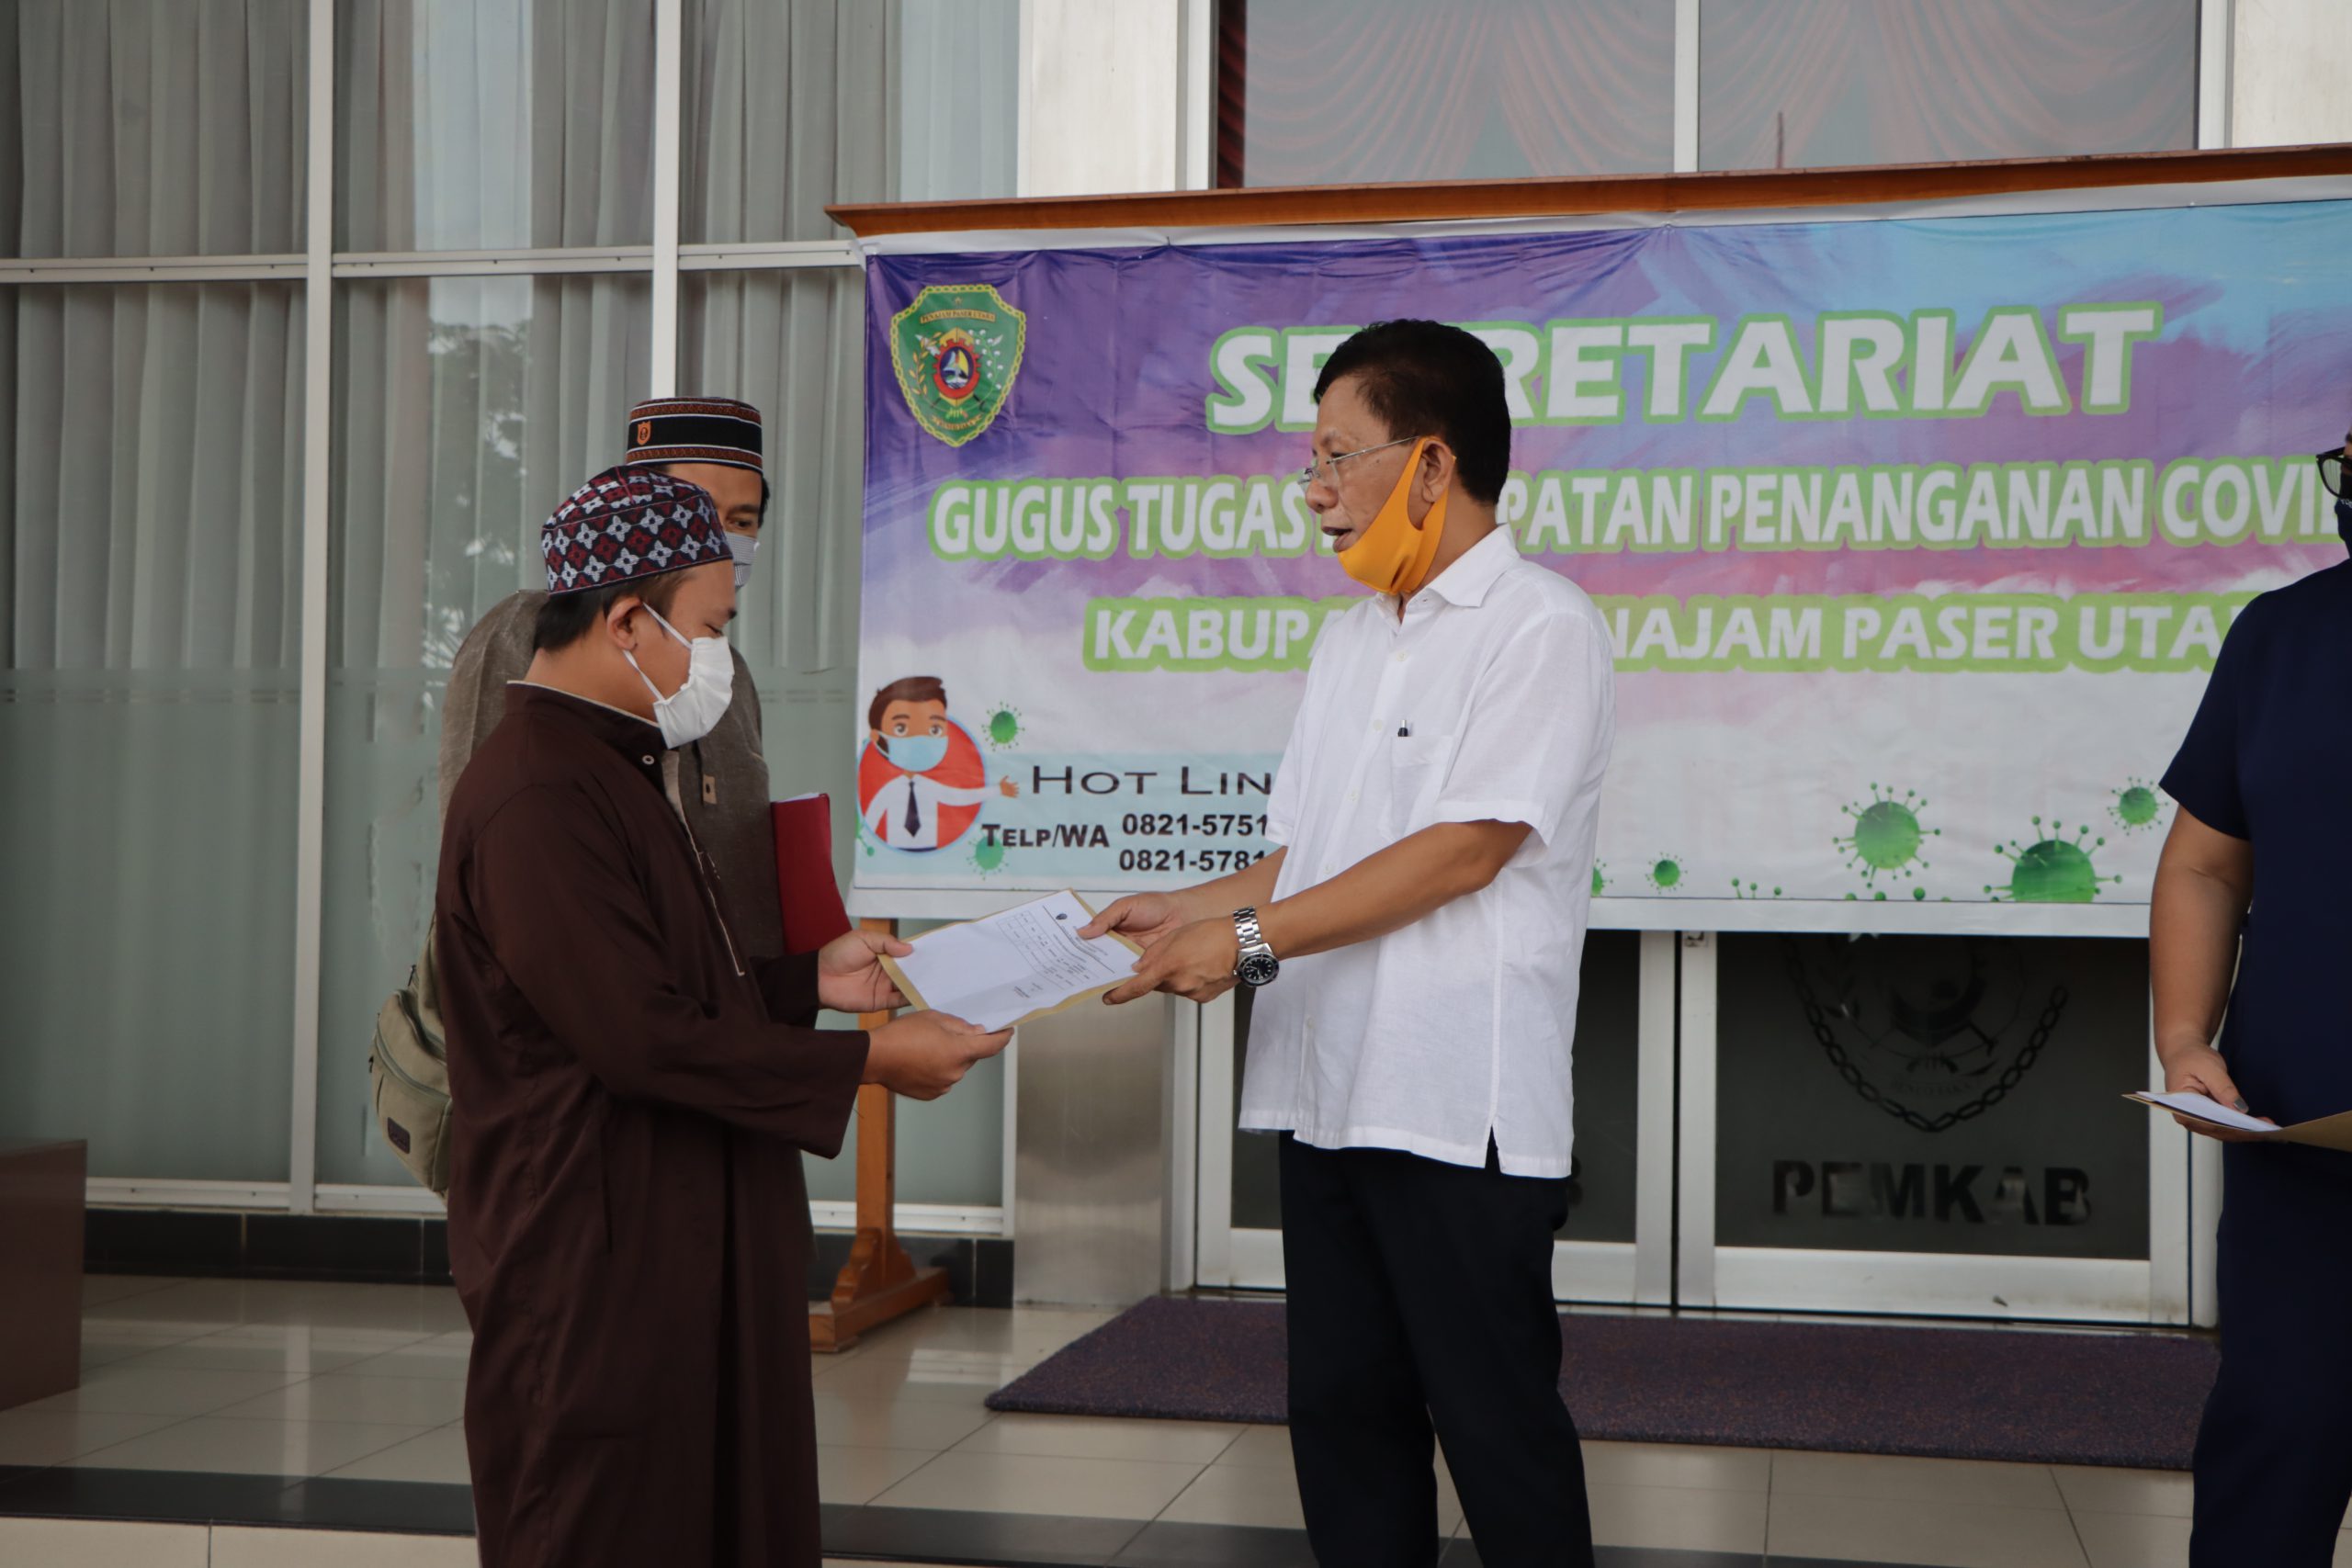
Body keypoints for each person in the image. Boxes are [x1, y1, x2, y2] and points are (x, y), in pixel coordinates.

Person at [1084, 320, 1615, 1567]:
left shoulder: (1540, 625)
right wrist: (1189, 908)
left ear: (1431, 464)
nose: (1314, 489)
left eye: (1337, 455)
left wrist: (1244, 942)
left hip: (1453, 1108)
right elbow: (1311, 853)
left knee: (1496, 1430)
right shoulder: (1352, 636)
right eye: (1310, 461)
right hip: (1327, 1093)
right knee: (1343, 1421)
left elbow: (1462, 850)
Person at [435, 466, 1012, 1568]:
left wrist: (807, 984)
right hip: (591, 1252)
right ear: (625, 623)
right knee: (608, 1525)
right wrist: (872, 1064)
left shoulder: (609, 767)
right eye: (710, 628)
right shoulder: (539, 794)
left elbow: (649, 983)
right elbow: (638, 1038)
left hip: (671, 1230)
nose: (718, 660)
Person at [2154, 423, 2352, 1567]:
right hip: (2299, 1147)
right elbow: (2203, 865)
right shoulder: (2281, 636)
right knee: (2271, 1453)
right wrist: (2185, 1036)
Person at [440, 396, 783, 955]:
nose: (718, 536)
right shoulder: (530, 633)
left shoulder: (729, 674)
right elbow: (489, 846)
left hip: (727, 995)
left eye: (741, 521)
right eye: (697, 509)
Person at [859, 674, 1019, 851]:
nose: (919, 739)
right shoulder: (890, 790)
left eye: (934, 729)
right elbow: (869, 822)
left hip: (929, 852)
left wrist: (997, 790)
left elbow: (959, 797)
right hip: (892, 857)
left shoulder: (929, 786)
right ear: (877, 737)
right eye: (901, 729)